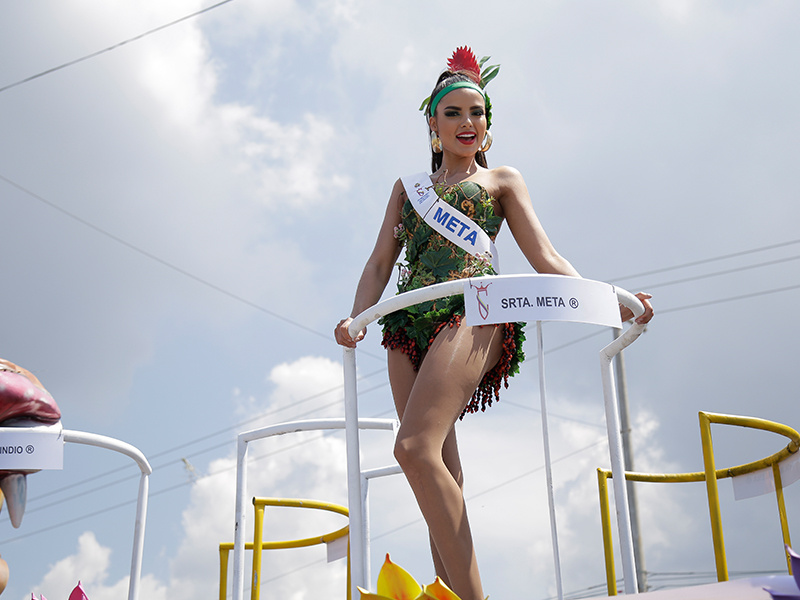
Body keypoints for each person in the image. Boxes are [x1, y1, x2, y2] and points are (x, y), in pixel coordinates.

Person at [335, 47, 654, 600]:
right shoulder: (405, 189)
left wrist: (607, 300)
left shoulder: (502, 180)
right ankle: (450, 592)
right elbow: (381, 263)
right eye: (453, 112)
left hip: (473, 314)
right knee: (437, 469)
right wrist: (356, 315)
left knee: (412, 448)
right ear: (433, 124)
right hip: (405, 328)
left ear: (488, 126)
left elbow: (546, 258)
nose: (467, 123)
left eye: (477, 113)